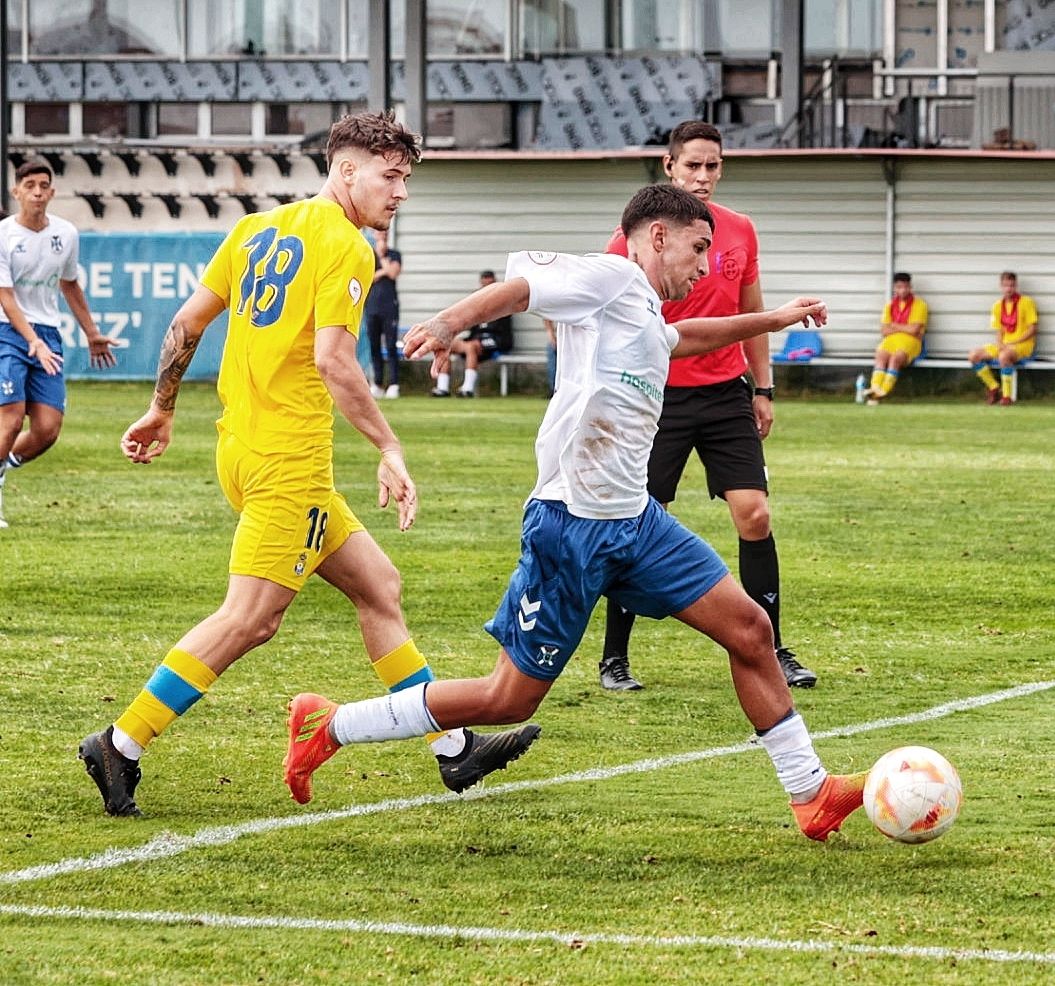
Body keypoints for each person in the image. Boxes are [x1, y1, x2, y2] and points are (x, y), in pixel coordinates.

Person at [283, 183, 865, 843]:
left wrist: (772, 320)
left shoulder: (641, 305)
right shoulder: (613, 275)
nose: (706, 267)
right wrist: (451, 322)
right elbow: (523, 287)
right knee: (509, 699)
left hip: (636, 523)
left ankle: (811, 795)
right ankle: (327, 725)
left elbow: (684, 337)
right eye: (698, 249)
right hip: (572, 524)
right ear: (658, 237)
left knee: (752, 631)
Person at [78, 112, 538, 818]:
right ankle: (121, 742)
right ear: (346, 170)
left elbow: (186, 324)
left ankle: (454, 749)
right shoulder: (346, 245)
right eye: (392, 176)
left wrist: (163, 406)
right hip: (288, 463)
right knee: (250, 619)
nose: (402, 193)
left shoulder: (258, 229)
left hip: (244, 449)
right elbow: (333, 360)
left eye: (407, 178)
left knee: (379, 587)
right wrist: (389, 447)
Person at [599, 120, 816, 693]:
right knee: (634, 521)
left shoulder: (741, 231)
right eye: (691, 165)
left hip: (726, 395)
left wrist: (763, 389)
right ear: (669, 167)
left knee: (756, 514)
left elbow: (753, 311)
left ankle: (770, 648)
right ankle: (613, 656)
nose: (702, 176)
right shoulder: (633, 237)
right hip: (655, 396)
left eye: (712, 165)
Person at [0, 160, 117, 529]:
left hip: (47, 334)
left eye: (43, 185)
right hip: (8, 330)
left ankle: (3, 467)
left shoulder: (66, 234)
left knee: (47, 429)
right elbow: (5, 296)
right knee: (11, 418)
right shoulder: (3, 235)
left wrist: (92, 333)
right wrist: (30, 340)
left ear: (52, 193)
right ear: (17, 191)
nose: (37, 191)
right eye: (29, 185)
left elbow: (70, 285)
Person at [430, 270, 514, 397]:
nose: (487, 288)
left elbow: (500, 330)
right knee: (446, 344)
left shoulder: (504, 300)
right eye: (484, 285)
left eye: (490, 285)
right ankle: (442, 388)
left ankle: (467, 389)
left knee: (471, 347)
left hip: (496, 339)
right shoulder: (477, 301)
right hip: (476, 338)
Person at [969, 271, 1037, 405]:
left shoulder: (1026, 302)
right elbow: (999, 330)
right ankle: (994, 388)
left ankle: (1007, 397)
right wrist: (1000, 343)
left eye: (1011, 286)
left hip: (1023, 344)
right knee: (974, 355)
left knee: (1003, 356)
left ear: (1016, 286)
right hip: (1005, 344)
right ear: (1001, 286)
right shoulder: (998, 306)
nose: (1008, 289)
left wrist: (1013, 342)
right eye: (1006, 286)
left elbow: (1033, 329)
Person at [863, 272, 927, 406]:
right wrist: (905, 327)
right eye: (899, 287)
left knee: (896, 358)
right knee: (880, 355)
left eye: (905, 287)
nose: (902, 290)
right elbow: (884, 331)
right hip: (891, 340)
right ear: (894, 288)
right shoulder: (890, 305)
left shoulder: (919, 305)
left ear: (910, 287)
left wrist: (894, 325)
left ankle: (883, 391)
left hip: (911, 342)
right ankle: (875, 389)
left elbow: (914, 330)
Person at [365, 228, 402, 399]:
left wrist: (382, 258)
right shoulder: (368, 255)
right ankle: (378, 383)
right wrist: (383, 270)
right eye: (380, 234)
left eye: (385, 235)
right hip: (372, 306)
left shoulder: (394, 254)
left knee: (391, 345)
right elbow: (367, 278)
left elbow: (393, 273)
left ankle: (394, 383)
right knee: (374, 346)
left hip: (390, 307)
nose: (383, 237)